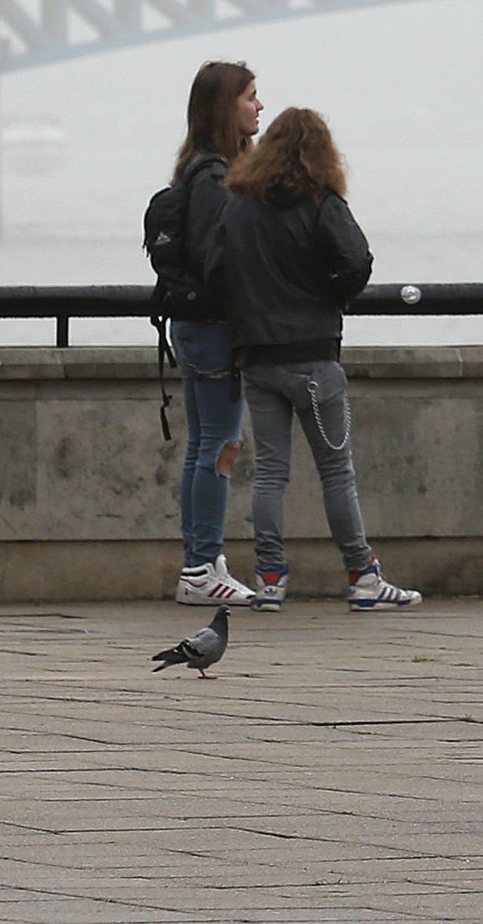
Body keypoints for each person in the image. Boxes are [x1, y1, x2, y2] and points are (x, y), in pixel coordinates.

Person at [221, 107, 423, 613]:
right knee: (336, 471)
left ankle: (269, 579)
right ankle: (362, 576)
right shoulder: (321, 202)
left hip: (258, 358)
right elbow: (356, 261)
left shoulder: (240, 204)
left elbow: (219, 265)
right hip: (313, 357)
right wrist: (329, 295)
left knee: (270, 473)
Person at [167, 62, 262, 609]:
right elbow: (215, 260)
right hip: (215, 330)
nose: (259, 106)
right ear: (226, 107)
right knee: (220, 447)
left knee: (205, 446)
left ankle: (202, 561)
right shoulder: (215, 177)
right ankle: (202, 566)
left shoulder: (197, 170)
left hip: (199, 329)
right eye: (250, 97)